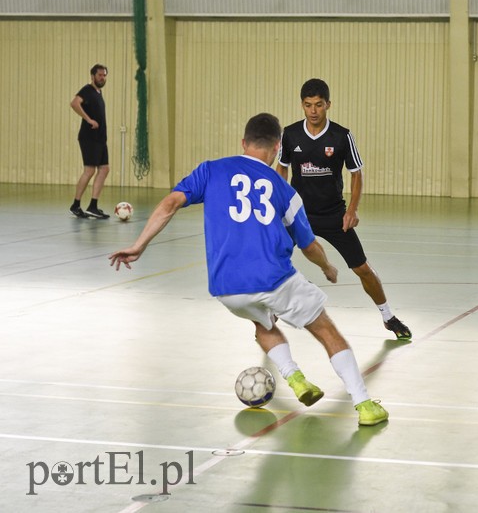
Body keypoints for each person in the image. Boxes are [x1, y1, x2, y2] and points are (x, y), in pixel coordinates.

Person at [108, 113, 388, 426]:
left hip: (227, 288)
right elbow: (309, 245)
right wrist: (327, 267)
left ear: (243, 142)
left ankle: (295, 377)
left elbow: (170, 203)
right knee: (325, 329)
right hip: (273, 278)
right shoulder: (284, 190)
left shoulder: (211, 170)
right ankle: (364, 405)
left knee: (262, 323)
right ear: (277, 146)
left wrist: (139, 244)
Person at [277, 79, 412, 341]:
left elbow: (356, 174)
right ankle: (266, 317)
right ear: (302, 106)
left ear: (328, 104)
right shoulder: (290, 134)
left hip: (333, 215)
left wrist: (352, 210)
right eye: (308, 105)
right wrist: (282, 201)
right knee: (270, 260)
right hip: (298, 215)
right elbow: (282, 166)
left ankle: (388, 316)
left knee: (362, 268)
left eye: (318, 105)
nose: (313, 110)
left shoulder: (341, 136)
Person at [69, 64, 111, 219]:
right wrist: (88, 119)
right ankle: (76, 205)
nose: (103, 78)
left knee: (104, 169)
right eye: (100, 75)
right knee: (90, 170)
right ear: (92, 76)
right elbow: (74, 103)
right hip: (89, 138)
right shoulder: (87, 90)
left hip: (100, 139)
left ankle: (93, 206)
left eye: (104, 75)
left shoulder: (98, 93)